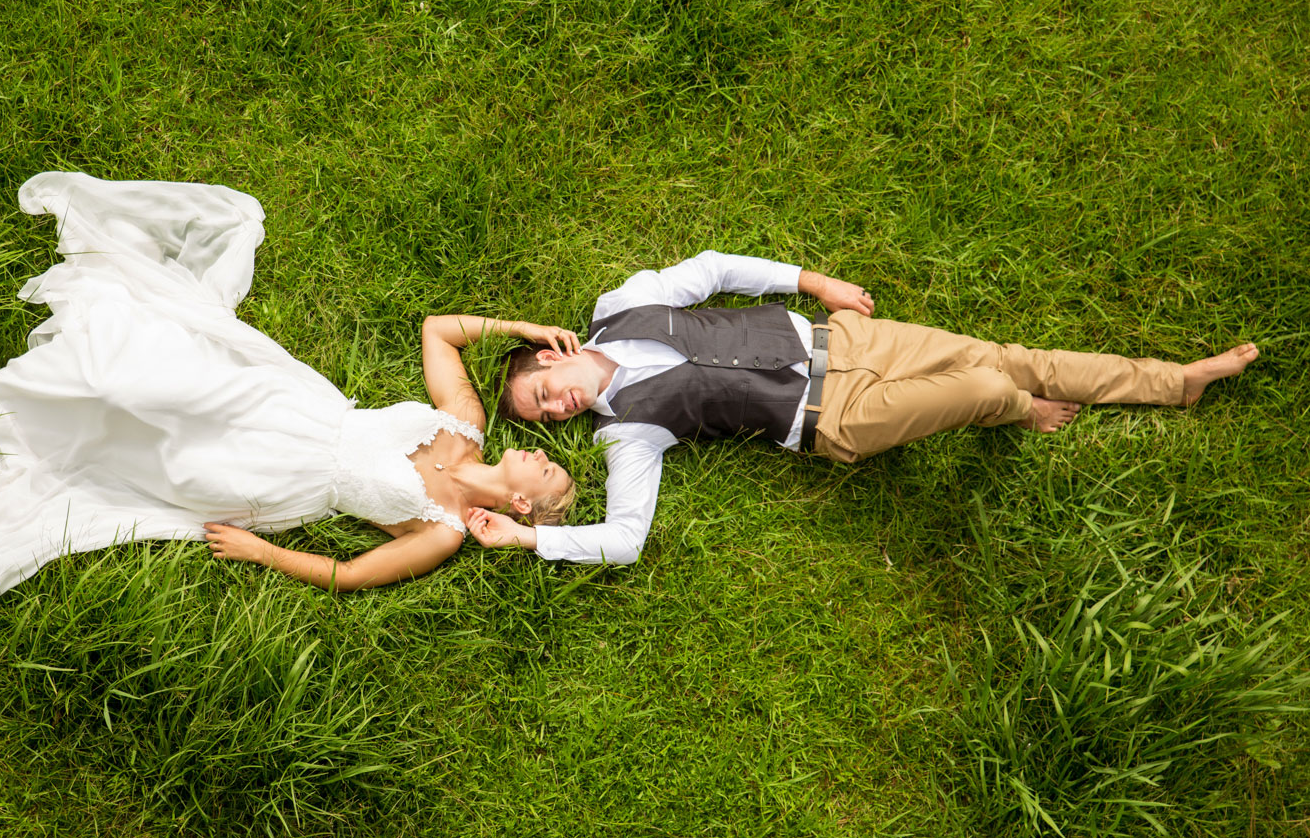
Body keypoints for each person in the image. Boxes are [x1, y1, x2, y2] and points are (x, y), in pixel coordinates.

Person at [0, 172, 574, 617]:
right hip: (288, 405)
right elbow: (439, 331)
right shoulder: (467, 421)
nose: (540, 458)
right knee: (139, 375)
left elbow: (352, 574)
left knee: (127, 454)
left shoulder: (441, 535)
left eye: (546, 473)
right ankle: (5, 385)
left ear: (518, 504)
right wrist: (520, 326)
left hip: (272, 481)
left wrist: (260, 552)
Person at [463, 249, 1258, 565]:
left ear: (551, 352)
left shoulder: (619, 304)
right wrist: (528, 540)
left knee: (1014, 358)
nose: (560, 409)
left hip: (848, 343)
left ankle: (1174, 381)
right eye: (548, 420)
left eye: (541, 392)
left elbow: (709, 268)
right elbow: (628, 538)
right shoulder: (625, 432)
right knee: (992, 389)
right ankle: (1020, 413)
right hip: (832, 420)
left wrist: (814, 283)